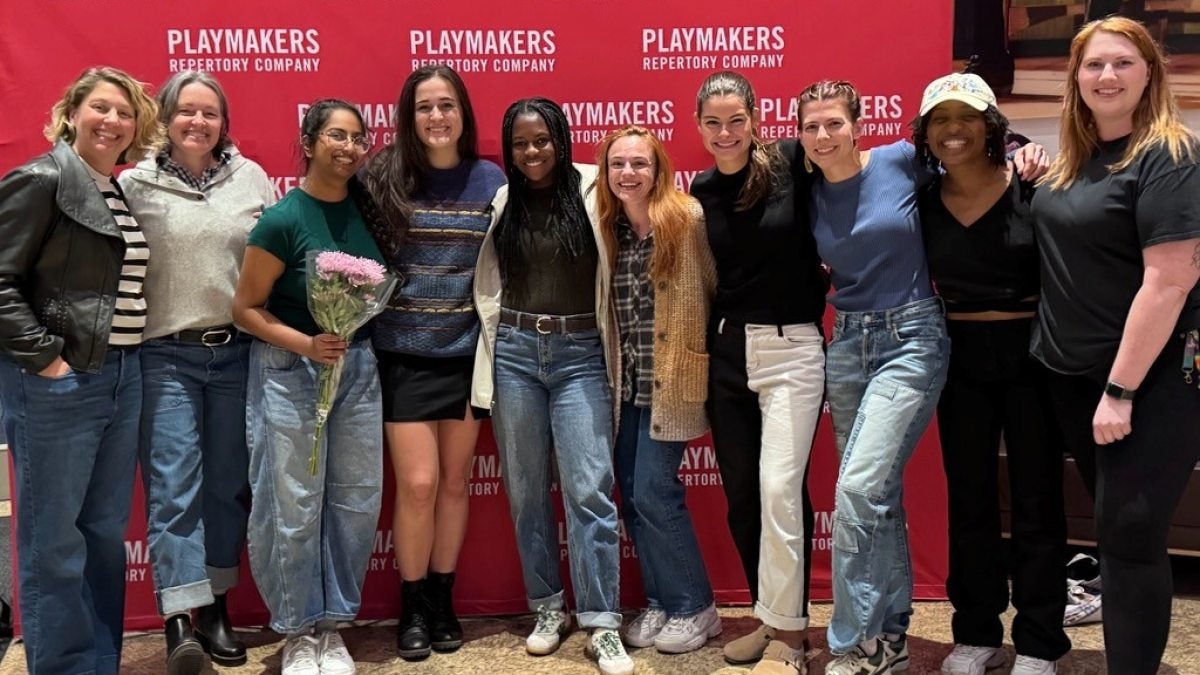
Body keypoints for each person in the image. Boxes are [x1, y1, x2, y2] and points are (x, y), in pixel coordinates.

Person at [797, 79, 1046, 675]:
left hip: (914, 337)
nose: (823, 135)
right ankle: (890, 640)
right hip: (848, 342)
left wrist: (1023, 151)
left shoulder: (902, 161)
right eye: (811, 126)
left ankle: (851, 641)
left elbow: (974, 152)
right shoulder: (804, 189)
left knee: (857, 490)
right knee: (876, 499)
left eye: (834, 122)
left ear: (858, 124)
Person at [1030, 17, 1200, 674]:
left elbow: (1170, 280)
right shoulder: (1073, 159)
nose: (1108, 76)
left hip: (1145, 383)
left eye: (1124, 63)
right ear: (1075, 76)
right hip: (1070, 376)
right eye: (1095, 64)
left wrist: (1120, 389)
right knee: (1112, 533)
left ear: (1150, 73)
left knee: (1130, 539)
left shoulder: (1169, 155)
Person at [0, 66, 162, 675]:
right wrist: (47, 360)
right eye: (100, 107)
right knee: (54, 543)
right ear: (72, 113)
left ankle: (98, 662)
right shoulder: (42, 179)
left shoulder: (110, 188)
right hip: (60, 385)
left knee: (100, 533)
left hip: (120, 374)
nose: (112, 121)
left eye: (125, 113)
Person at [913, 73, 1070, 675]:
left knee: (1037, 498)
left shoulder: (1034, 185)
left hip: (1032, 354)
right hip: (960, 356)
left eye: (967, 117)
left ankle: (1038, 641)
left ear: (992, 127)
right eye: (940, 120)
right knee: (970, 499)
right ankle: (975, 633)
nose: (954, 130)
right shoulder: (920, 199)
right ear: (926, 133)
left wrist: (1032, 151)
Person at [470, 97, 633, 675]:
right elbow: (488, 282)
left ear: (561, 138)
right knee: (526, 490)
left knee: (590, 489)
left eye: (541, 140)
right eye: (520, 143)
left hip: (581, 353)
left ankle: (602, 623)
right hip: (514, 352)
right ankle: (547, 608)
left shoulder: (595, 189)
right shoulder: (503, 201)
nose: (532, 152)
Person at [119, 70, 274, 674]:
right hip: (164, 356)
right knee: (173, 487)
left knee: (228, 486)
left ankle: (215, 608)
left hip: (237, 353)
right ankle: (180, 619)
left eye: (210, 113)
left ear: (224, 123)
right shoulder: (136, 183)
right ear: (164, 117)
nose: (198, 123)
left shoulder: (252, 178)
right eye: (186, 111)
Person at [231, 99, 386, 675]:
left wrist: (340, 342)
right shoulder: (282, 219)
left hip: (357, 371)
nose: (347, 147)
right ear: (310, 140)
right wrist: (306, 344)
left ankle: (332, 625)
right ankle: (297, 629)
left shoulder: (368, 213)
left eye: (357, 138)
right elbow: (245, 308)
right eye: (335, 136)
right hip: (288, 371)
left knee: (354, 499)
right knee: (292, 504)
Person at [363, 64, 506, 661]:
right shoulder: (382, 177)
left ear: (463, 113)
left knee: (453, 483)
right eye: (424, 107)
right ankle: (412, 602)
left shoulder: (491, 180)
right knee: (418, 486)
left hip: (468, 357)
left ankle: (442, 600)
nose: (436, 117)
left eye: (446, 105)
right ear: (408, 115)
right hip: (403, 355)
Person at [690, 71, 828, 675]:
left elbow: (867, 164)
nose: (726, 133)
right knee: (744, 499)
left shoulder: (792, 161)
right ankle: (771, 621)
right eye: (713, 123)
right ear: (699, 127)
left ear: (755, 118)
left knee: (779, 491)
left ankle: (792, 640)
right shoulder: (700, 188)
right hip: (727, 354)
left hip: (791, 348)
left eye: (736, 120)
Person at [595, 126, 721, 655]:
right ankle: (662, 601)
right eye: (618, 164)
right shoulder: (607, 229)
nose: (628, 173)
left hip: (674, 382)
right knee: (631, 491)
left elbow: (714, 286)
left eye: (639, 164)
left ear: (659, 169)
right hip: (626, 386)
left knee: (654, 491)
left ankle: (696, 606)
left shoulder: (687, 219)